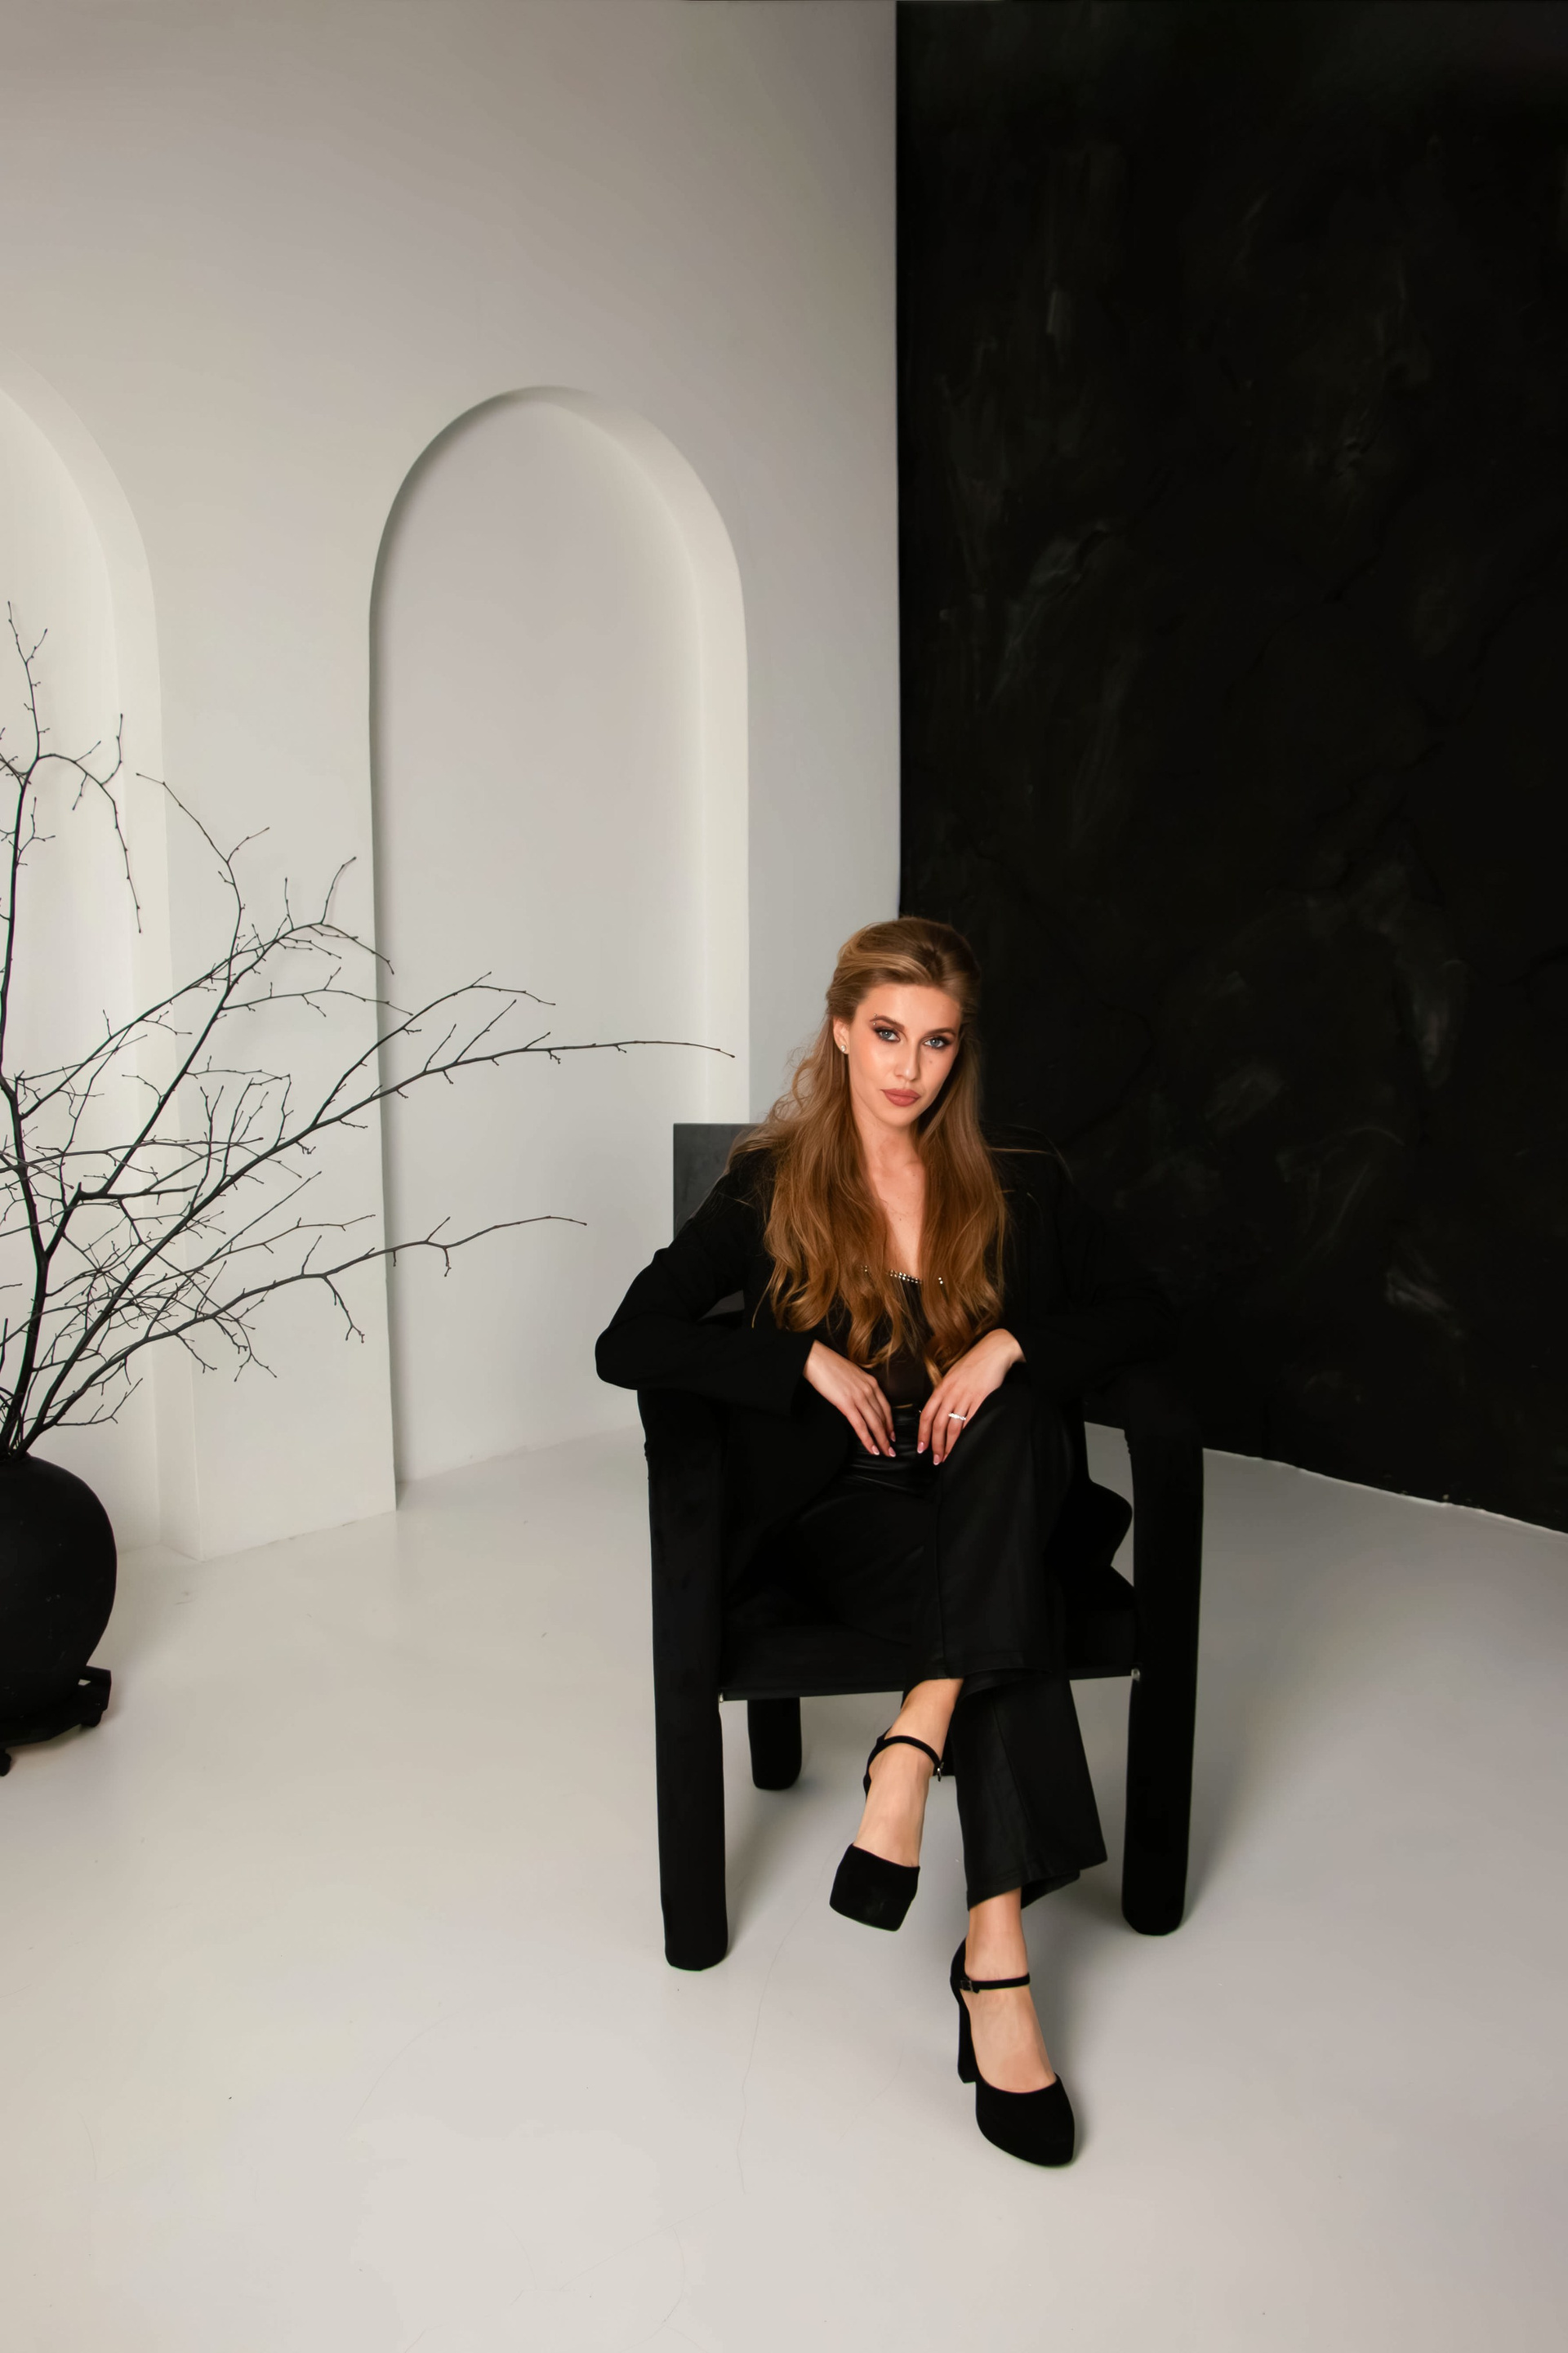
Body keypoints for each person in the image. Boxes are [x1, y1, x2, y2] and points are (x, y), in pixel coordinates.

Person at [595, 918, 1174, 2166]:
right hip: (851, 1510)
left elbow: (1145, 1308)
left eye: (938, 1042)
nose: (910, 1067)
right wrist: (792, 1356)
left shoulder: (1016, 1182)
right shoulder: (772, 1184)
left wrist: (1010, 1342)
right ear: (844, 1030)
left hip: (1000, 1488)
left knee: (1015, 1417)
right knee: (1005, 1601)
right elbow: (627, 1340)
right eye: (889, 1033)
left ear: (962, 1053)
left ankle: (937, 1806)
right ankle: (990, 1960)